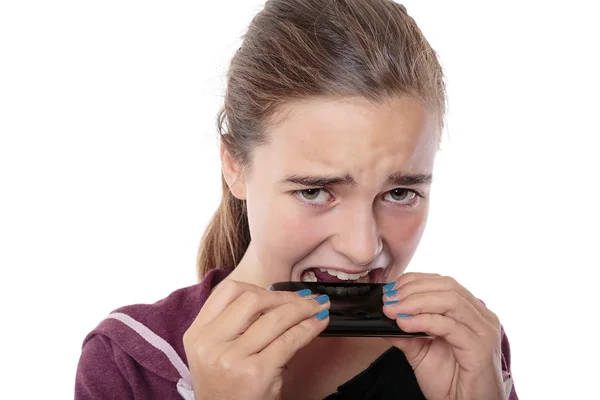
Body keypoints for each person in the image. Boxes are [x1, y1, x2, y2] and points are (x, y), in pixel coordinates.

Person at [75, 0, 518, 399]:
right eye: (314, 191)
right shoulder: (128, 364)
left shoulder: (466, 343)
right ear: (235, 167)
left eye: (400, 192)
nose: (363, 248)